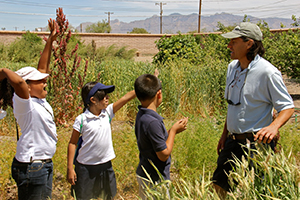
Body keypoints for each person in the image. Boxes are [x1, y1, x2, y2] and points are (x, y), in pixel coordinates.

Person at [212, 22, 295, 199]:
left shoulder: (267, 72)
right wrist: (224, 134)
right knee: (219, 187)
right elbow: (233, 104)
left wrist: (274, 127)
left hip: (256, 145)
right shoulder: (231, 68)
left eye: (233, 42)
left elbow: (287, 107)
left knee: (255, 192)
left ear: (249, 43)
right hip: (232, 142)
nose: (229, 46)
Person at [0, 19, 58, 199]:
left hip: (44, 165)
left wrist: (50, 40)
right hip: (32, 167)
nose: (45, 81)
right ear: (27, 87)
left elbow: (42, 68)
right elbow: (18, 82)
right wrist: (2, 72)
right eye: (39, 80)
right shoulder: (25, 104)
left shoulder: (39, 100)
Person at [67, 81, 136, 200]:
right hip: (85, 168)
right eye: (103, 96)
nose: (107, 98)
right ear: (93, 100)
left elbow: (125, 98)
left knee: (108, 196)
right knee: (84, 197)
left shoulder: (107, 113)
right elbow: (72, 143)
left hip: (105, 165)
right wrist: (70, 168)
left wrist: (148, 82)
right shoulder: (82, 119)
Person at [134, 74, 188, 200]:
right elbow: (163, 155)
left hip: (145, 173)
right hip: (155, 180)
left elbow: (154, 140)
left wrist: (171, 131)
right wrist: (173, 131)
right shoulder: (153, 122)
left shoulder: (142, 114)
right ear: (159, 94)